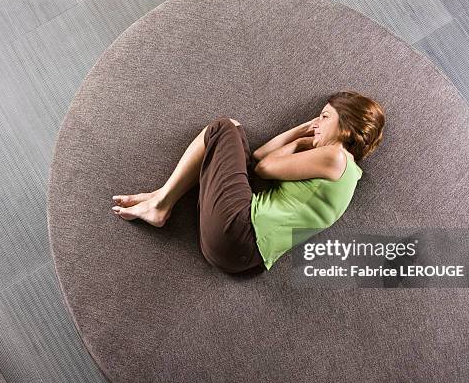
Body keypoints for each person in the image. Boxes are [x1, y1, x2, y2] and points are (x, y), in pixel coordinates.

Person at [111, 90, 385, 273]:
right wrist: (303, 132)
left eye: (325, 117)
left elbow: (264, 168)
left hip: (240, 231)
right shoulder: (345, 173)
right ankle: (161, 198)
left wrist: (303, 139)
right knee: (234, 133)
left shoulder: (336, 157)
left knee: (224, 127)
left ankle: (160, 202)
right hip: (243, 257)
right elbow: (259, 156)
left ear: (346, 127)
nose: (317, 123)